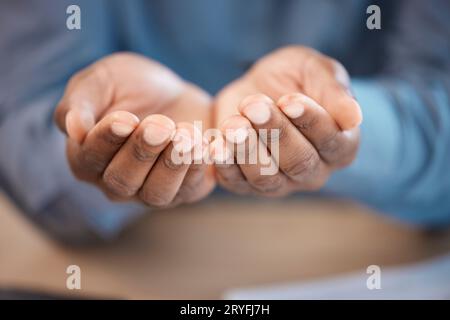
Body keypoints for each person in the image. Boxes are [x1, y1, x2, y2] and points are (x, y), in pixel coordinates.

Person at [0, 0, 449, 244]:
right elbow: (26, 137)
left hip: (375, 250)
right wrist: (89, 144)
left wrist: (344, 129)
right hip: (136, 263)